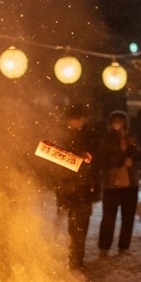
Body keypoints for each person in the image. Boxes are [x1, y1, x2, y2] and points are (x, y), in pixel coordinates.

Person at [52, 105, 99, 269]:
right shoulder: (62, 137)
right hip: (69, 188)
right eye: (75, 120)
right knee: (72, 226)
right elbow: (57, 162)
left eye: (80, 120)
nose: (78, 123)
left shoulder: (88, 135)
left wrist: (88, 158)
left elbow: (96, 159)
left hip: (84, 188)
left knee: (82, 224)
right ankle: (72, 257)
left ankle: (78, 258)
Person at [96, 110, 141, 256]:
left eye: (121, 122)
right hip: (111, 183)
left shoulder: (132, 138)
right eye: (115, 122)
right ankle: (104, 247)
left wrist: (133, 158)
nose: (118, 125)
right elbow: (103, 159)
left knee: (128, 217)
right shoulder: (106, 139)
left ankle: (124, 246)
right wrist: (121, 160)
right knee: (109, 217)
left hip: (130, 183)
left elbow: (140, 155)